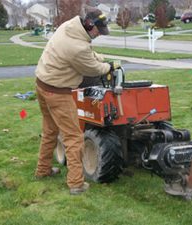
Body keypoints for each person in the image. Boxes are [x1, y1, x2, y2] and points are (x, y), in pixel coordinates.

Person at [34, 7, 120, 195]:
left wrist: (102, 58)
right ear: (89, 25)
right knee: (74, 137)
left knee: (50, 131)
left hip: (42, 84)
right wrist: (108, 66)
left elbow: (89, 54)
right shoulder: (77, 47)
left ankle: (42, 170)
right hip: (57, 92)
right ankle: (76, 184)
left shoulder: (69, 26)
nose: (99, 34)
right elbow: (92, 69)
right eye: (98, 30)